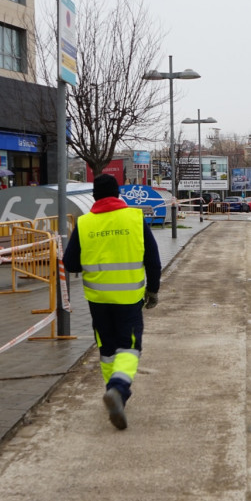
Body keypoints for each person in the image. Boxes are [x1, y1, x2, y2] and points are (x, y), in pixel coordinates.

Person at [62, 174, 161, 431]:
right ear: (118, 195)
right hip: (128, 299)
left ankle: (114, 394)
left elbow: (70, 264)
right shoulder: (135, 218)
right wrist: (153, 290)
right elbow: (153, 260)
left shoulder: (84, 224)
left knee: (107, 349)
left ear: (94, 196)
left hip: (97, 299)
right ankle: (118, 389)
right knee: (129, 347)